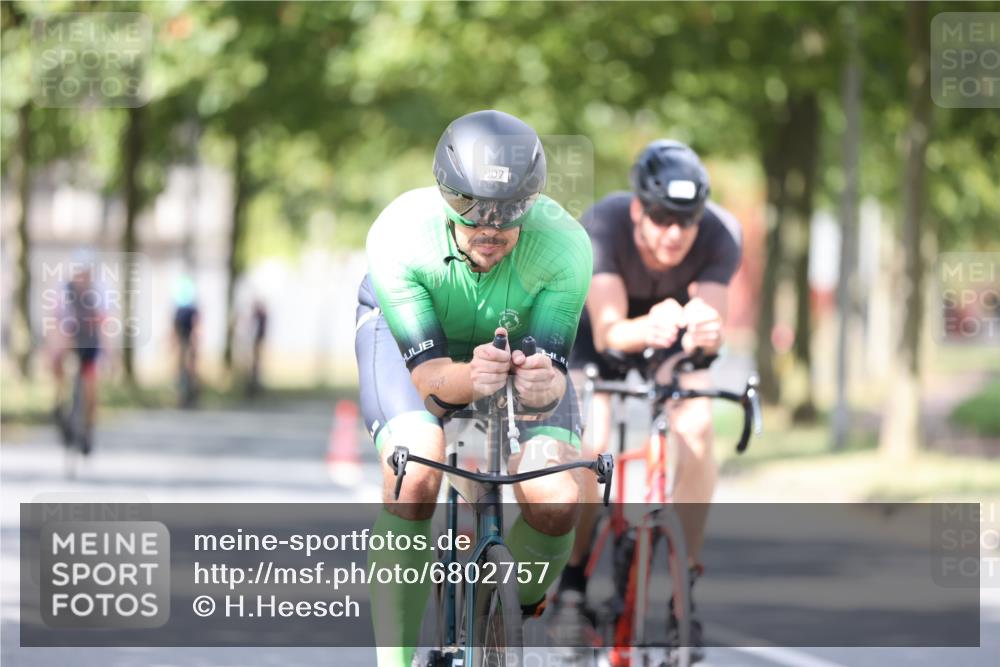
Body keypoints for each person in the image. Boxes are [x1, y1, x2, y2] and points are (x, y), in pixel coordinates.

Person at [354, 110, 594, 667]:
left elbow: (551, 385)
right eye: (469, 207)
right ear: (444, 194)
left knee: (557, 495)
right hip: (412, 347)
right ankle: (398, 660)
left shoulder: (565, 247)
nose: (488, 226)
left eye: (508, 210)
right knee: (416, 471)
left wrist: (539, 385)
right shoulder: (398, 236)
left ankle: (510, 620)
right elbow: (435, 388)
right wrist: (473, 378)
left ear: (531, 202)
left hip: (509, 350)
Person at [556, 140, 743, 661]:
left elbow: (712, 336)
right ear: (638, 209)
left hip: (670, 344)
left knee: (698, 424)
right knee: (590, 440)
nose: (675, 233)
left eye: (687, 220)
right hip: (599, 339)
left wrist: (708, 332)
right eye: (662, 218)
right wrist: (651, 325)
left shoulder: (720, 235)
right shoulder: (604, 223)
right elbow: (613, 330)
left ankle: (685, 591)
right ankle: (572, 582)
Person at [52, 250, 105, 455]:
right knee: (59, 368)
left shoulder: (99, 291)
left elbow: (104, 323)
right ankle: (59, 406)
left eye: (86, 273)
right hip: (69, 339)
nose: (83, 277)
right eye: (79, 273)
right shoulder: (64, 291)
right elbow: (56, 322)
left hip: (90, 342)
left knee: (91, 388)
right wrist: (55, 349)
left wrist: (110, 353)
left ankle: (88, 429)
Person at [172, 276, 200, 408]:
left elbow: (196, 327)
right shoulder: (184, 308)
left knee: (188, 369)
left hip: (188, 342)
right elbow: (175, 328)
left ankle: (190, 396)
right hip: (184, 342)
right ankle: (183, 397)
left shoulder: (186, 308)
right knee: (183, 370)